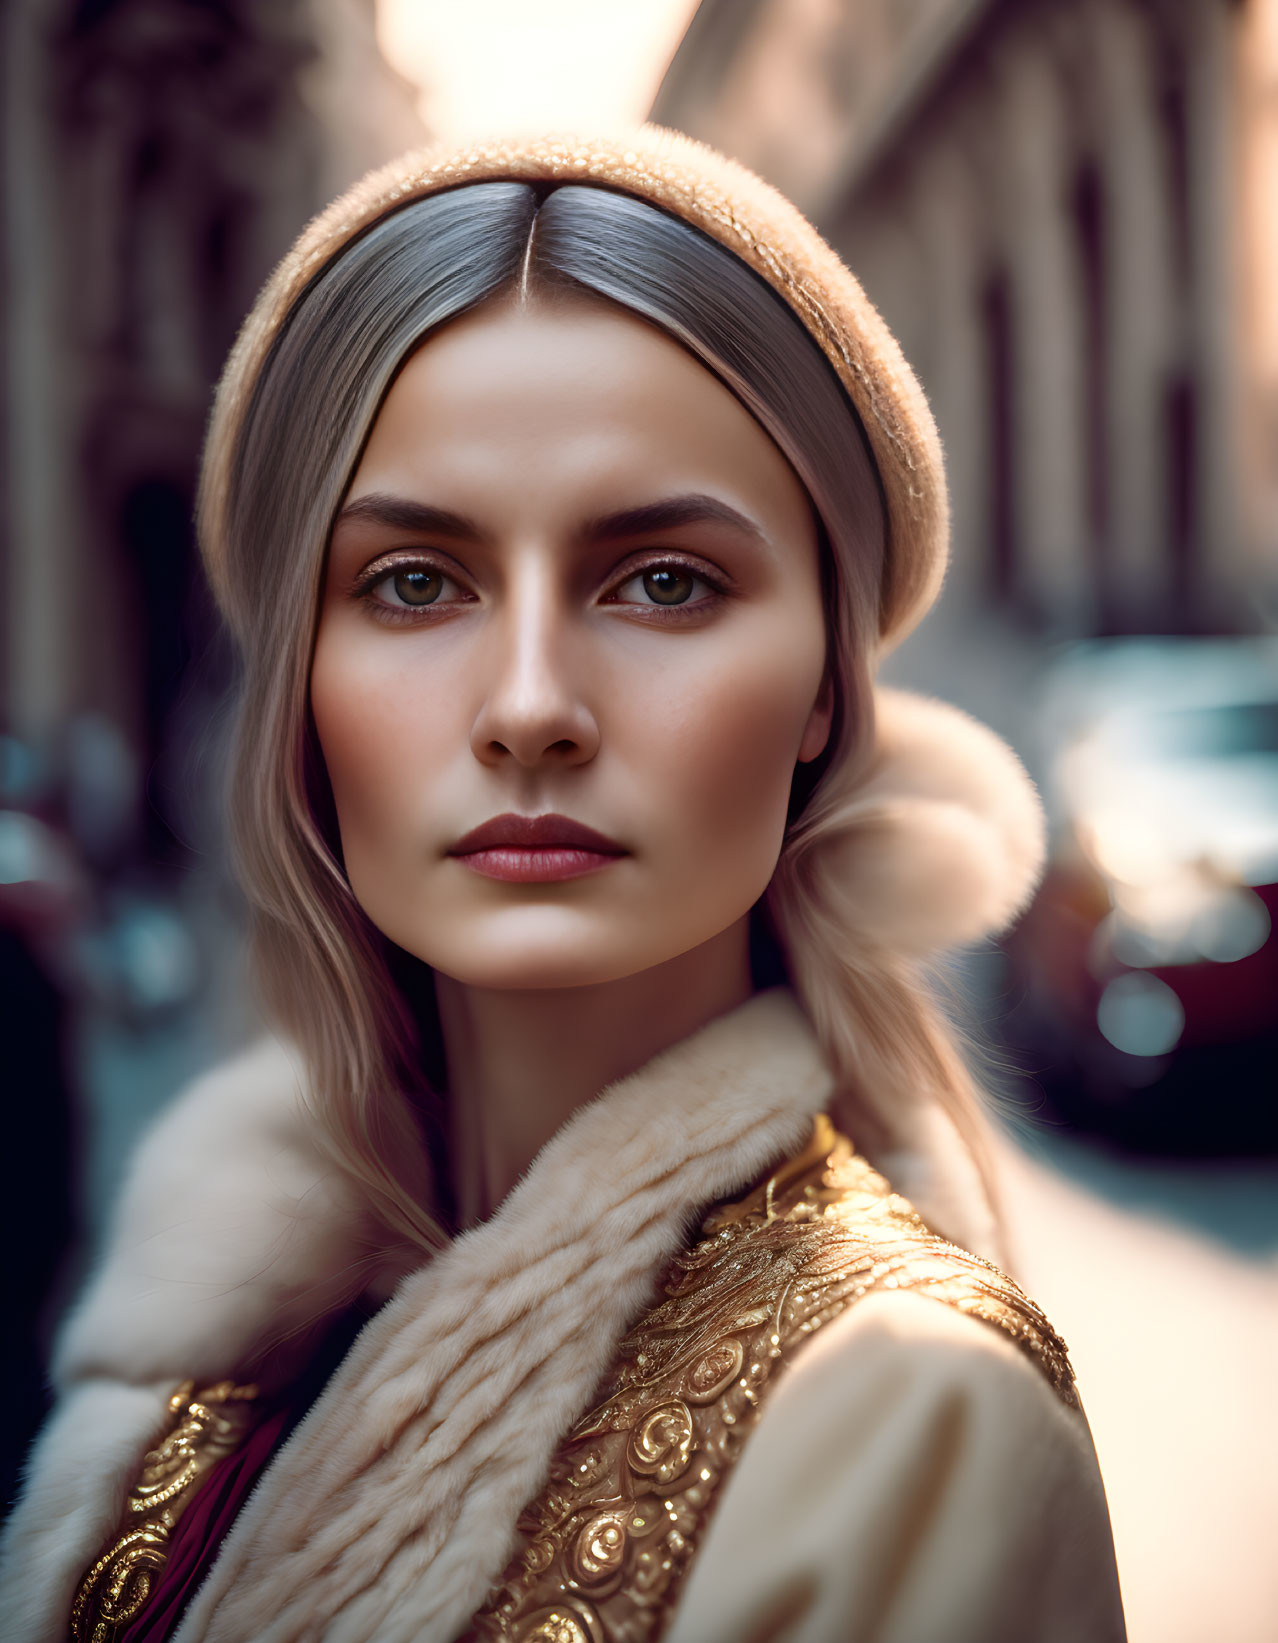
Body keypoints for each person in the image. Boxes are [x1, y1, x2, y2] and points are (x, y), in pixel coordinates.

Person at [0, 128, 1126, 1643]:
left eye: (663, 580)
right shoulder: (199, 1339)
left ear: (824, 690)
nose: (530, 703)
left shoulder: (912, 1420)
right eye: (413, 582)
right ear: (302, 687)